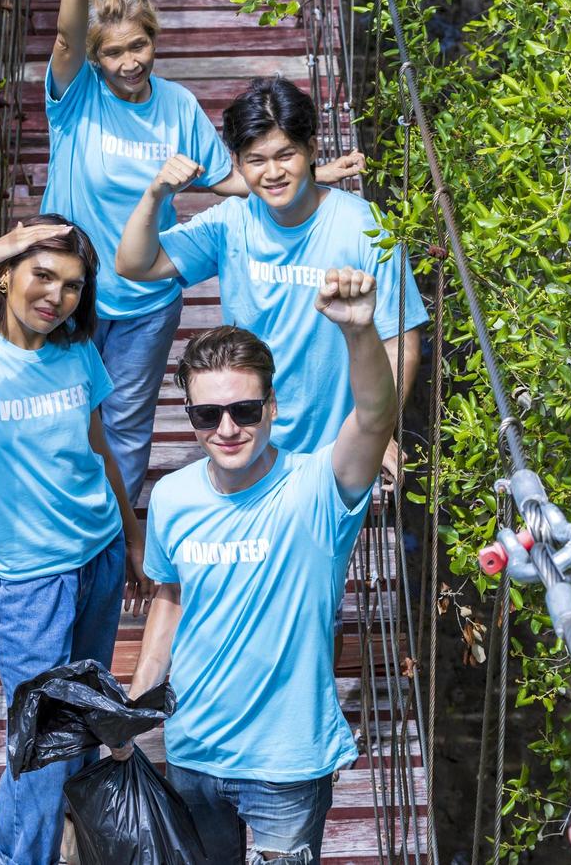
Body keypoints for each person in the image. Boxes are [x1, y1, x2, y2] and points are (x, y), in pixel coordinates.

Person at [44, 0, 365, 506]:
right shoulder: (76, 96)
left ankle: (119, 529)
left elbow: (227, 178)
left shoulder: (178, 105)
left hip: (145, 296)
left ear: (155, 40)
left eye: (139, 45)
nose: (129, 62)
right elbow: (68, 42)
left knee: (125, 423)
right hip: (71, 289)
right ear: (96, 59)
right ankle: (66, 519)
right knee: (61, 412)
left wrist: (310, 172)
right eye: (114, 52)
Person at [110, 270, 398, 864]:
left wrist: (361, 331)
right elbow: (171, 598)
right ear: (188, 413)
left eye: (244, 409)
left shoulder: (320, 486)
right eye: (206, 415)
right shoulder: (171, 496)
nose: (227, 429)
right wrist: (134, 707)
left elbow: (373, 417)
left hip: (285, 765)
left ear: (272, 406)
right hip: (190, 750)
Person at [0, 215, 152, 865]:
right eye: (42, 276)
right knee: (41, 751)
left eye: (71, 286)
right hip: (31, 582)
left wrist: (130, 536)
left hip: (98, 560)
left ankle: (75, 831)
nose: (56, 297)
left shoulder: (77, 352)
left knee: (85, 721)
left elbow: (99, 446)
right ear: (6, 275)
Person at [115, 75, 427, 486]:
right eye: (256, 160)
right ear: (239, 165)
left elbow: (400, 342)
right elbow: (135, 264)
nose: (273, 173)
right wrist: (156, 194)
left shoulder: (366, 227)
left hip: (332, 453)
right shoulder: (232, 221)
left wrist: (377, 429)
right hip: (246, 439)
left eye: (286, 155)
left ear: (312, 150)